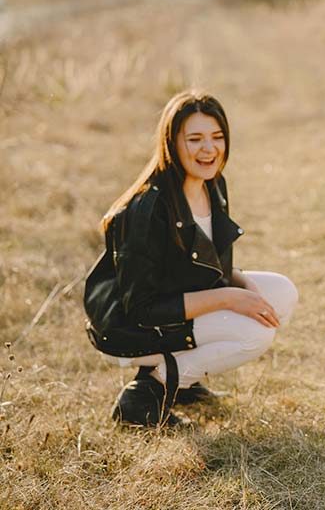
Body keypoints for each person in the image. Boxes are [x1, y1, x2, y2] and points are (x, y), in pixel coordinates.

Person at [84, 90, 298, 427]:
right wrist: (229, 296)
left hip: (171, 307)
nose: (209, 149)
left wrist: (240, 281)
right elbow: (140, 308)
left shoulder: (212, 184)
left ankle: (183, 382)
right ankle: (146, 394)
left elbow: (200, 265)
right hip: (129, 327)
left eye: (217, 137)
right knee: (255, 334)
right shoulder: (148, 208)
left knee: (282, 292)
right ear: (172, 143)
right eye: (195, 139)